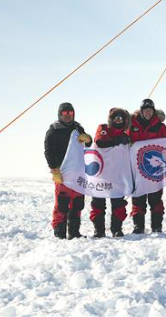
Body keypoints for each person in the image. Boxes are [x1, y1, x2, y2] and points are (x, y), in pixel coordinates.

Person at [44, 102, 93, 239]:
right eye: (64, 113)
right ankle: (59, 233)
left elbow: (88, 144)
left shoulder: (78, 128)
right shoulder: (53, 130)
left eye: (70, 113)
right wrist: (55, 170)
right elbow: (49, 152)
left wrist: (88, 138)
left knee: (77, 203)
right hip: (63, 173)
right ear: (60, 114)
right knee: (62, 203)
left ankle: (74, 232)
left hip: (78, 173)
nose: (67, 116)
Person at [89, 108, 131, 238]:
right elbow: (100, 142)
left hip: (117, 175)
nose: (118, 120)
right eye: (116, 118)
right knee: (97, 204)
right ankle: (99, 230)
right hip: (101, 175)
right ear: (111, 119)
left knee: (118, 204)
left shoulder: (125, 134)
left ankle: (116, 229)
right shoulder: (103, 128)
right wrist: (116, 142)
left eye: (121, 118)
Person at [129, 99, 166, 233]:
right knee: (138, 198)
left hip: (154, 169)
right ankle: (138, 226)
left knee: (155, 199)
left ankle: (156, 226)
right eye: (145, 110)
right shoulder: (131, 124)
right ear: (141, 111)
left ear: (154, 111)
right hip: (136, 168)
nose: (148, 112)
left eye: (150, 110)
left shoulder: (160, 126)